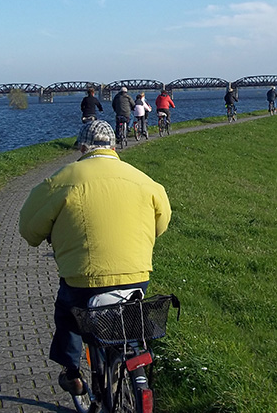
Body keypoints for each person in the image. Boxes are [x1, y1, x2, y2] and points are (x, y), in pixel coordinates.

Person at [19, 120, 172, 396]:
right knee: (124, 321)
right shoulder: (143, 180)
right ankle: (121, 364)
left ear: (83, 147)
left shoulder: (62, 180)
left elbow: (28, 229)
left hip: (84, 280)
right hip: (136, 277)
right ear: (114, 146)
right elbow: (162, 223)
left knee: (68, 314)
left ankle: (72, 371)